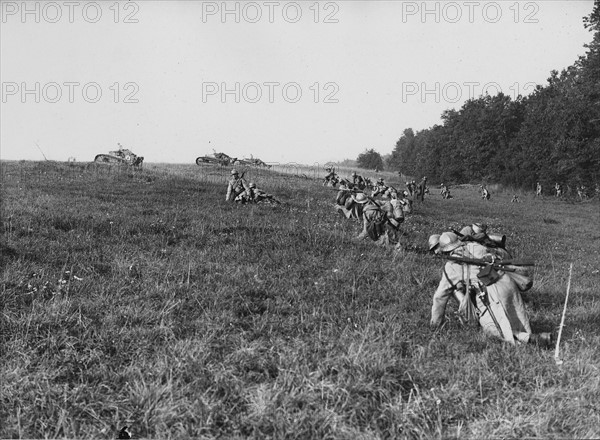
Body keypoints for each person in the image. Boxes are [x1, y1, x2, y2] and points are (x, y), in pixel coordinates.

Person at [430, 232, 552, 347]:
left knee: (492, 329)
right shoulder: (474, 246)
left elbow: (439, 297)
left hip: (490, 292)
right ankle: (530, 334)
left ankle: (531, 339)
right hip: (507, 282)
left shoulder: (451, 267)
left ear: (445, 249)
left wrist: (435, 325)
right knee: (517, 314)